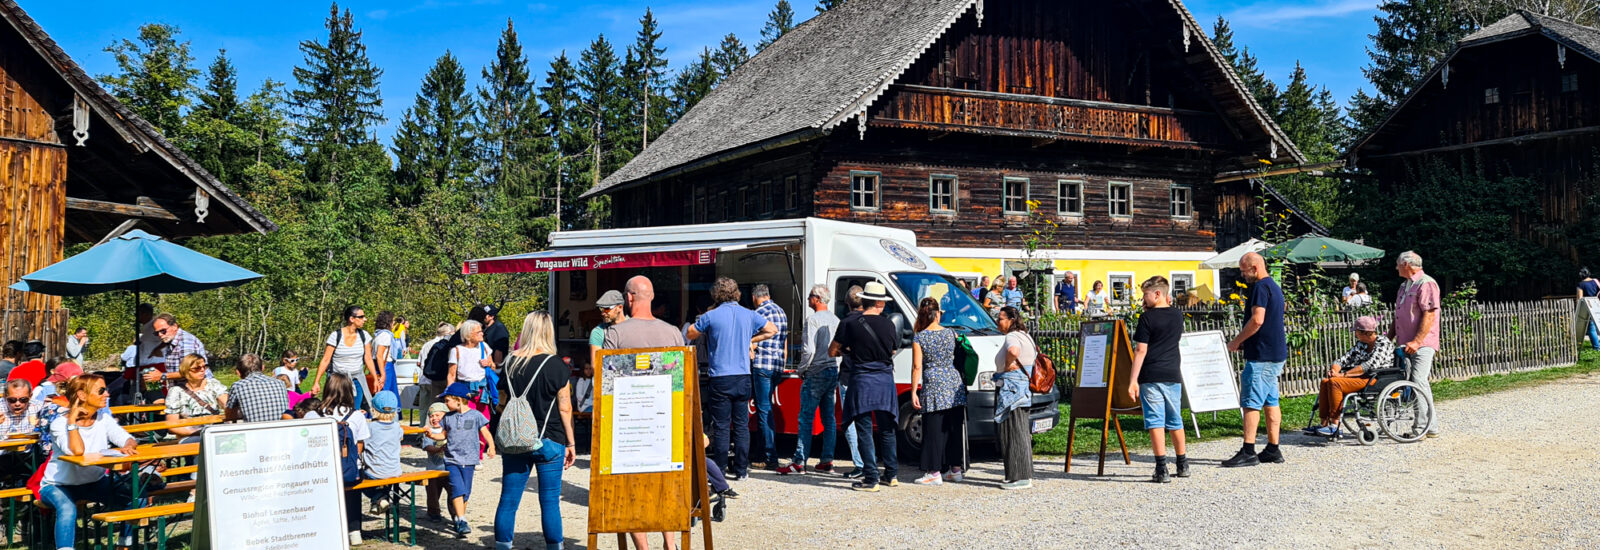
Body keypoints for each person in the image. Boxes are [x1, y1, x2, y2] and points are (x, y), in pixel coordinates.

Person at [602, 276, 689, 550]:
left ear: (628, 298)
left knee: (631, 489)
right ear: (650, 297)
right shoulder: (674, 332)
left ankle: (643, 547)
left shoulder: (615, 335)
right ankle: (670, 543)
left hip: (629, 427)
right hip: (665, 424)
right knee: (667, 484)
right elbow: (682, 383)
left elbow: (606, 386)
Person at [492, 312, 576, 550]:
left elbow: (502, 401)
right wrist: (571, 443)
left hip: (516, 438)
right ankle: (554, 547)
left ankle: (503, 546)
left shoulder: (510, 362)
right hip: (550, 438)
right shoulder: (556, 365)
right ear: (549, 331)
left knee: (508, 499)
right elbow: (565, 407)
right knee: (549, 501)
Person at [685, 277, 778, 480]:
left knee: (721, 426)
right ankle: (741, 470)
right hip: (743, 375)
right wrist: (751, 340)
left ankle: (719, 470)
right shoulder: (749, 314)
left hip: (720, 376)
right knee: (742, 425)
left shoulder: (711, 315)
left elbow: (690, 333)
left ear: (716, 294)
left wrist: (704, 320)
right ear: (737, 293)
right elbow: (772, 329)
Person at [39, 374, 141, 549]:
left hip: (94, 482)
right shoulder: (59, 424)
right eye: (101, 390)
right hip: (58, 485)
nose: (107, 394)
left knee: (135, 498)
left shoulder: (103, 418)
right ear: (82, 395)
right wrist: (72, 421)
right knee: (67, 508)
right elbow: (76, 451)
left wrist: (128, 446)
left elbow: (127, 438)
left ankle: (124, 545)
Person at [829, 281, 901, 492]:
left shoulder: (849, 324)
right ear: (879, 302)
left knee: (864, 429)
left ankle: (871, 477)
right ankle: (891, 474)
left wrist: (850, 351)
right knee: (887, 429)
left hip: (861, 378)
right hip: (885, 378)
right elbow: (893, 351)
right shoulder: (889, 324)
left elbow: (832, 351)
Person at [1224, 252, 1287, 467]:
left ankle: (1248, 450)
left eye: (1244, 271)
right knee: (1271, 400)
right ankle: (1273, 448)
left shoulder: (1259, 287)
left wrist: (1236, 341)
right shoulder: (1274, 287)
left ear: (1255, 268)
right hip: (1275, 352)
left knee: (1251, 401)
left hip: (1261, 355)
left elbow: (1257, 320)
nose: (1242, 275)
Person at [1125, 276, 1188, 483]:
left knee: (1155, 421)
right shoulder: (1177, 315)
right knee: (1175, 419)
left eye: (1145, 294)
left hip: (1151, 374)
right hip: (1172, 373)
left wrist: (1133, 379)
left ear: (1157, 294)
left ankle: (1161, 467)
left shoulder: (1147, 319)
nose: (1144, 298)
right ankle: (1182, 462)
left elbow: (1141, 350)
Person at [778, 285, 840, 476]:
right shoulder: (836, 320)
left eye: (810, 297)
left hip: (816, 371)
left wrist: (801, 369)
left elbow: (809, 350)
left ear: (817, 299)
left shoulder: (812, 320)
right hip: (832, 369)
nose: (807, 300)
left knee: (805, 418)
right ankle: (827, 460)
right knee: (829, 418)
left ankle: (799, 460)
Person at [910, 297, 966, 485]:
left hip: (934, 382)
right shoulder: (952, 333)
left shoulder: (920, 336)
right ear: (937, 314)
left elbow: (917, 366)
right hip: (953, 380)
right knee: (953, 427)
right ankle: (955, 469)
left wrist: (913, 391)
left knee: (933, 429)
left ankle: (934, 471)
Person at [1308, 316, 1395, 435]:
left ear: (1365, 332)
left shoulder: (1383, 343)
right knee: (1326, 381)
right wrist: (1334, 370)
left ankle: (1335, 425)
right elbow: (1343, 360)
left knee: (1335, 383)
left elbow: (1369, 366)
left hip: (1375, 378)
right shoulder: (1361, 344)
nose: (1355, 334)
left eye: (1357, 332)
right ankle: (1324, 423)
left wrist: (1343, 375)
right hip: (1361, 377)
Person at [312, 373, 371, 545]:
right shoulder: (356, 416)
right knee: (353, 489)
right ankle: (354, 531)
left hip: (323, 468)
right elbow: (360, 445)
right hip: (349, 470)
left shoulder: (315, 415)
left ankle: (327, 528)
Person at [435, 382, 495, 539]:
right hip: (452, 459)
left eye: (447, 400)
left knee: (466, 492)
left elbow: (485, 432)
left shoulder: (475, 415)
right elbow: (443, 435)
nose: (445, 404)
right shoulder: (448, 418)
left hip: (469, 460)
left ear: (458, 399)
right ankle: (462, 520)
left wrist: (492, 446)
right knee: (457, 488)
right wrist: (432, 436)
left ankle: (458, 517)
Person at [1391, 250, 1441, 438]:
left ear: (1406, 265)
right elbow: (1398, 315)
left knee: (1418, 381)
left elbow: (1429, 314)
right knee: (1417, 383)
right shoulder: (1404, 286)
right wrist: (1388, 337)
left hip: (1422, 343)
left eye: (1398, 264)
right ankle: (1431, 426)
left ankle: (1421, 428)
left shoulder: (1426, 283)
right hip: (1406, 343)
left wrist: (1418, 341)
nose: (1396, 267)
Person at [992, 306, 1036, 490]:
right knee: (1018, 430)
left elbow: (1014, 351)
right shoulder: (1026, 335)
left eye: (1001, 318)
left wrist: (1009, 363)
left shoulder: (1012, 337)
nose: (998, 322)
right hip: (1022, 387)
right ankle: (1015, 474)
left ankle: (1020, 477)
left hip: (1011, 388)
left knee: (1013, 431)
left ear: (1010, 320)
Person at [750, 284, 788, 470]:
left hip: (762, 366)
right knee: (767, 409)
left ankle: (769, 456)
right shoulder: (781, 311)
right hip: (777, 366)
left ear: (754, 297)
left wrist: (751, 343)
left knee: (764, 411)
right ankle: (763, 453)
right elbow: (785, 342)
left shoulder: (758, 313)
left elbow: (752, 341)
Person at [312, 306, 379, 411]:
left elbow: (368, 359)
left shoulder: (364, 336)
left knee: (355, 410)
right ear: (351, 319)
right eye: (361, 317)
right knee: (335, 409)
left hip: (357, 379)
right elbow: (326, 359)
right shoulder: (336, 336)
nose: (365, 319)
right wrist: (316, 382)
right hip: (338, 380)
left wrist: (375, 379)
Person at [163, 354, 227, 440]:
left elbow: (227, 405)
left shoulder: (213, 384)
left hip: (214, 432)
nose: (202, 370)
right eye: (197, 368)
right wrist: (198, 433)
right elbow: (172, 425)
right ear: (186, 370)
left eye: (204, 367)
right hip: (189, 435)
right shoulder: (176, 391)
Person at [362, 391, 404, 514]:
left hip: (374, 472)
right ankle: (379, 501)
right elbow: (400, 437)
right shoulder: (397, 427)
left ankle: (378, 498)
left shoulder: (370, 427)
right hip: (394, 470)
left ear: (373, 409)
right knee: (387, 475)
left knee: (362, 480)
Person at [448, 319, 496, 422]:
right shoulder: (456, 350)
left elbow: (493, 366)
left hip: (482, 390)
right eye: (478, 332)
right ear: (468, 334)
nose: (482, 333)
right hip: (464, 390)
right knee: (466, 421)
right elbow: (451, 375)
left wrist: (489, 364)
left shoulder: (485, 347)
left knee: (484, 421)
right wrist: (450, 394)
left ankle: (482, 439)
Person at [227, 353, 287, 423]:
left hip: (254, 431)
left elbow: (229, 413)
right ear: (263, 368)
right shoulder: (280, 383)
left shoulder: (238, 386)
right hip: (282, 430)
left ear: (238, 372)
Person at [0, 379, 36, 486]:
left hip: (26, 455)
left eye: (23, 400)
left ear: (30, 396)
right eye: (12, 400)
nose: (17, 404)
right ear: (5, 396)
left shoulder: (36, 407)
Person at [417, 323, 456, 411]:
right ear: (450, 333)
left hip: (432, 378)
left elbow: (421, 362)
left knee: (432, 406)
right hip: (446, 377)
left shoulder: (430, 344)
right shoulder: (450, 345)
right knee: (447, 405)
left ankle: (427, 423)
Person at [421, 402, 449, 522]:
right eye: (431, 416)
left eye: (438, 415)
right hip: (433, 470)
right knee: (432, 493)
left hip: (448, 469)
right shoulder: (428, 432)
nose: (434, 418)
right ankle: (433, 512)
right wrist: (438, 449)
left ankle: (455, 514)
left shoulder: (449, 430)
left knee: (453, 493)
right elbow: (428, 447)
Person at [590, 290, 627, 366]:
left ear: (620, 307)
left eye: (607, 309)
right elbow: (595, 366)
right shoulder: (598, 331)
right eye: (601, 309)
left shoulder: (633, 326)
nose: (603, 313)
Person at [471, 304, 511, 369]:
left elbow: (499, 351)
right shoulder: (483, 327)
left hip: (492, 368)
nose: (482, 316)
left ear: (491, 316)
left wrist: (495, 368)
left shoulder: (499, 329)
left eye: (485, 315)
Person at [372, 312, 402, 395]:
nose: (393, 323)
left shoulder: (378, 334)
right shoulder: (385, 335)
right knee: (387, 394)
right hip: (385, 366)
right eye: (392, 321)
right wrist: (383, 374)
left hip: (382, 365)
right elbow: (379, 355)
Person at [1579, 268, 1600, 351]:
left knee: (1591, 328)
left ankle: (1597, 347)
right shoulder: (1596, 281)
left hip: (1589, 306)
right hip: (1598, 304)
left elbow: (1580, 299)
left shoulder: (1581, 284)